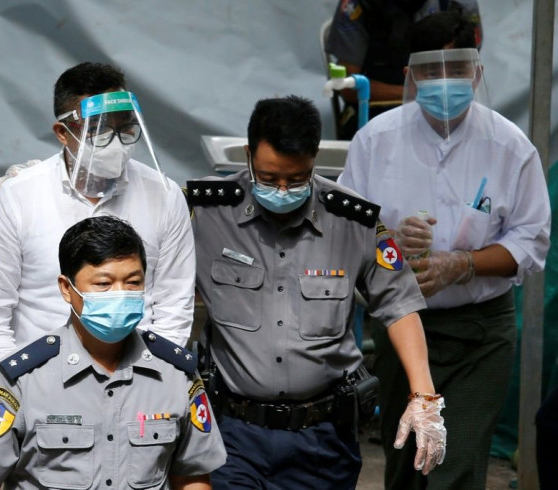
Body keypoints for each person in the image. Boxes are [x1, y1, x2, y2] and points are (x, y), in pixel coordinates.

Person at [337, 11, 551, 489]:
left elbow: (531, 240)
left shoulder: (510, 146)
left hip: (480, 331)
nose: (444, 81)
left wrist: (464, 264)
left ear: (476, 70)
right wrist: (389, 242)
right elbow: (347, 231)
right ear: (411, 74)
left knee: (454, 466)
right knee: (407, 467)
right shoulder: (376, 141)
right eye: (431, 70)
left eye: (456, 68)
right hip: (400, 326)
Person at [190, 95, 445, 489]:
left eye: (296, 180)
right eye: (269, 177)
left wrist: (423, 395)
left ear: (313, 162)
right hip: (232, 434)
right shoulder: (205, 214)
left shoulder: (353, 221)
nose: (281, 189)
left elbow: (399, 305)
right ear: (247, 155)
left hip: (322, 438)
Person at [0, 216, 226, 489]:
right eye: (103, 284)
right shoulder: (21, 380)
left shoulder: (176, 375)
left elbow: (192, 477)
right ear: (66, 288)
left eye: (133, 282)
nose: (120, 294)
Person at [0, 62, 195, 376]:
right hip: (39, 380)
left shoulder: (165, 197)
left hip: (138, 378)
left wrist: (155, 382)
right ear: (62, 132)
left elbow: (174, 307)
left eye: (125, 127)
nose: (116, 142)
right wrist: (11, 389)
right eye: (99, 130)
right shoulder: (18, 197)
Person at [325, 0, 481, 139]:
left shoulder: (460, 5)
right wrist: (420, 92)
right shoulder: (357, 5)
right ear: (408, 74)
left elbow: (467, 68)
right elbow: (348, 88)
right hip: (374, 112)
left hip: (450, 113)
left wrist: (442, 93)